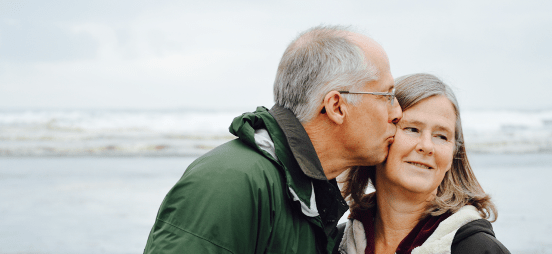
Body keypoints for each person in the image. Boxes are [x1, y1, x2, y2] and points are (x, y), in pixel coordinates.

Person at [143, 25, 402, 254]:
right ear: (336, 106)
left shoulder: (311, 193)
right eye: (386, 96)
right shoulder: (230, 182)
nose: (397, 112)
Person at [336, 73, 510, 254]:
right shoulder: (332, 243)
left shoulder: (481, 250)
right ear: (380, 136)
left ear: (452, 156)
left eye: (441, 136)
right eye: (412, 129)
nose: (427, 146)